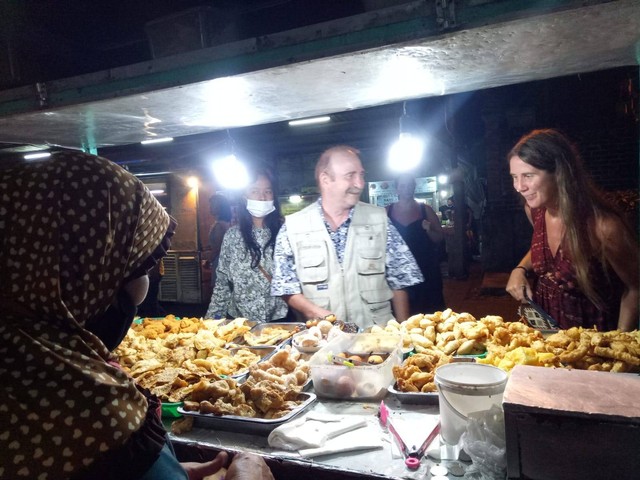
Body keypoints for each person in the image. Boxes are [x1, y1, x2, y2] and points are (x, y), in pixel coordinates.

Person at [0, 151, 275, 479]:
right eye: (136, 264)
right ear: (79, 269)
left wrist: (168, 471)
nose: (145, 282)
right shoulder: (90, 409)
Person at [271, 145, 423, 329]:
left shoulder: (379, 219)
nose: (359, 183)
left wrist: (403, 332)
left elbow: (400, 279)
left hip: (378, 338)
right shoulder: (293, 227)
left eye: (361, 175)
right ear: (326, 179)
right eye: (350, 175)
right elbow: (285, 287)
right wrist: (313, 312)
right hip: (323, 341)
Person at [505, 129, 639, 332]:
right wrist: (520, 269)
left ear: (558, 174)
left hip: (591, 342)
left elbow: (635, 287)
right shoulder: (535, 212)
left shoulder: (603, 227)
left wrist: (619, 343)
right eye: (514, 177)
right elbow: (545, 252)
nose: (519, 186)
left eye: (528, 176)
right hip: (546, 335)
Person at [206, 166, 288, 322]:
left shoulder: (286, 233)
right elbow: (222, 284)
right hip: (240, 323)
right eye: (255, 191)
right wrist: (212, 321)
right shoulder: (232, 236)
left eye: (268, 191)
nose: (262, 197)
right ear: (244, 197)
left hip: (280, 322)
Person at [387, 174, 446, 314]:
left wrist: (429, 230)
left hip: (426, 270)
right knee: (401, 314)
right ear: (397, 190)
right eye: (402, 186)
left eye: (409, 185)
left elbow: (439, 238)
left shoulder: (425, 210)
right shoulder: (386, 211)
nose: (406, 188)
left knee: (430, 312)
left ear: (414, 187)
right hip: (398, 271)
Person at [205, 194, 232, 289]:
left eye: (213, 204)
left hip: (219, 263)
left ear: (220, 206)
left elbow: (218, 249)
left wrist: (208, 258)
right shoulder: (226, 223)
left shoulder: (219, 226)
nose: (210, 207)